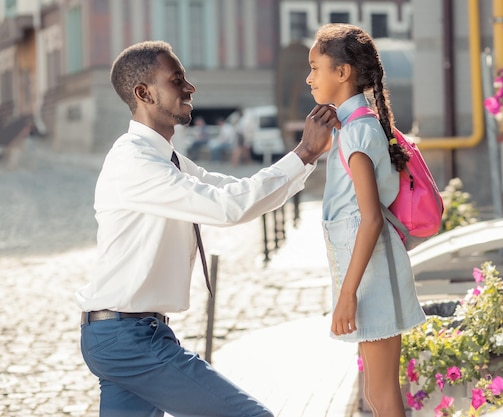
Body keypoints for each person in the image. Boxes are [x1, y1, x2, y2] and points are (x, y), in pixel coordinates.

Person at [75, 40, 337, 417]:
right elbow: (228, 207)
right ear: (144, 93)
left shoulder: (166, 159)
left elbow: (233, 193)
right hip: (127, 338)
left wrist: (306, 161)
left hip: (120, 334)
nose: (190, 87)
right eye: (176, 79)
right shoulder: (134, 162)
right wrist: (304, 153)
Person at [306, 24, 426, 417]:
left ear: (342, 73)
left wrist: (346, 295)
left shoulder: (358, 131)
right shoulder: (355, 127)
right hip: (369, 274)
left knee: (383, 394)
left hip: (371, 277)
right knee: (376, 393)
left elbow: (370, 220)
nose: (309, 78)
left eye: (315, 68)